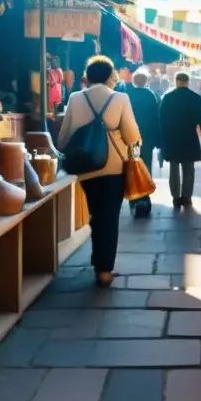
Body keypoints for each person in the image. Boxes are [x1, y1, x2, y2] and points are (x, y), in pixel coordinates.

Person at [57, 56, 141, 287]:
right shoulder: (120, 98)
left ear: (88, 75)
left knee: (96, 214)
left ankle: (97, 260)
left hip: (86, 168)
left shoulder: (75, 98)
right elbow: (132, 135)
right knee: (110, 217)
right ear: (109, 75)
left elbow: (64, 137)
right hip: (114, 167)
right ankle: (104, 269)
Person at [159, 71, 201, 208]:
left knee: (173, 168)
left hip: (172, 137)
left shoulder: (167, 97)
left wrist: (161, 137)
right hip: (189, 137)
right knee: (188, 168)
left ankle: (175, 197)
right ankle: (186, 197)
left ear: (176, 81)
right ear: (188, 81)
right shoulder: (195, 97)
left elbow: (161, 118)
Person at [127, 69, 160, 218]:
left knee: (133, 166)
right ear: (146, 82)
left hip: (132, 138)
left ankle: (134, 197)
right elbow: (156, 118)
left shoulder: (128, 95)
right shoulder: (151, 96)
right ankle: (145, 196)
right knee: (146, 165)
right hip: (147, 138)